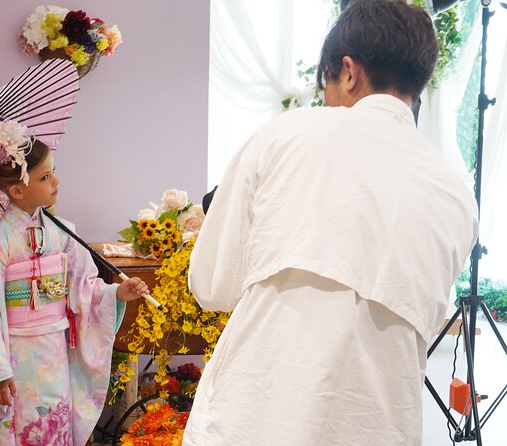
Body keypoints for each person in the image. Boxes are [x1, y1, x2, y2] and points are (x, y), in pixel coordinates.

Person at [183, 1, 478, 445]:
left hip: (258, 416)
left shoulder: (286, 135)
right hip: (380, 425)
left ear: (348, 71)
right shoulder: (457, 195)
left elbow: (212, 285)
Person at [0, 121, 149, 445]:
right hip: (16, 358)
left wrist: (117, 292)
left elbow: (84, 288)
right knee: (22, 428)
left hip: (55, 354)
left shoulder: (62, 232)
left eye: (53, 172)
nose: (55, 182)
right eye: (45, 177)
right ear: (17, 190)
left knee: (55, 426)